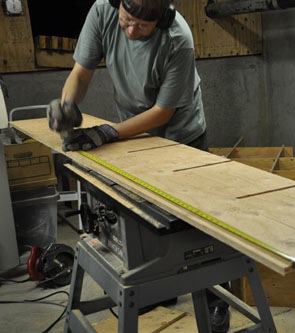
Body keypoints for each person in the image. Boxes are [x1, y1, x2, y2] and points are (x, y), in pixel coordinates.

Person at [47, 0, 230, 332]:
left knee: (196, 226)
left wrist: (108, 132)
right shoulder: (103, 10)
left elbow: (163, 113)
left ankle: (217, 299)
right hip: (132, 127)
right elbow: (80, 72)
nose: (131, 31)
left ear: (161, 20)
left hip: (180, 133)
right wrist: (68, 105)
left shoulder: (178, 38)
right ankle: (162, 288)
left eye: (142, 27)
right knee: (145, 216)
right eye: (126, 20)